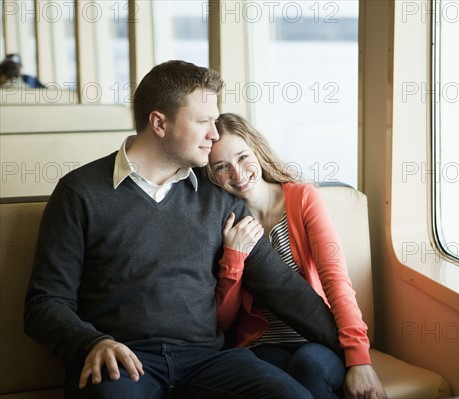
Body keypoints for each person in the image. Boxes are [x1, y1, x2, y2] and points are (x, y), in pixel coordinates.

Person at [24, 60, 342, 399]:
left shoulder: (217, 199)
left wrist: (354, 352)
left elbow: (282, 287)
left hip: (208, 360)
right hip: (124, 364)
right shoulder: (80, 192)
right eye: (204, 122)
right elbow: (44, 303)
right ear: (159, 123)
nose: (215, 134)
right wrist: (93, 343)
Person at [207, 113, 388, 399]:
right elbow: (223, 320)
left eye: (242, 157)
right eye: (221, 167)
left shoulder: (303, 198)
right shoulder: (222, 222)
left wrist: (359, 358)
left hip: (316, 339)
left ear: (258, 151)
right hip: (260, 345)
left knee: (310, 367)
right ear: (212, 175)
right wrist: (234, 256)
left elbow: (336, 280)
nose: (237, 174)